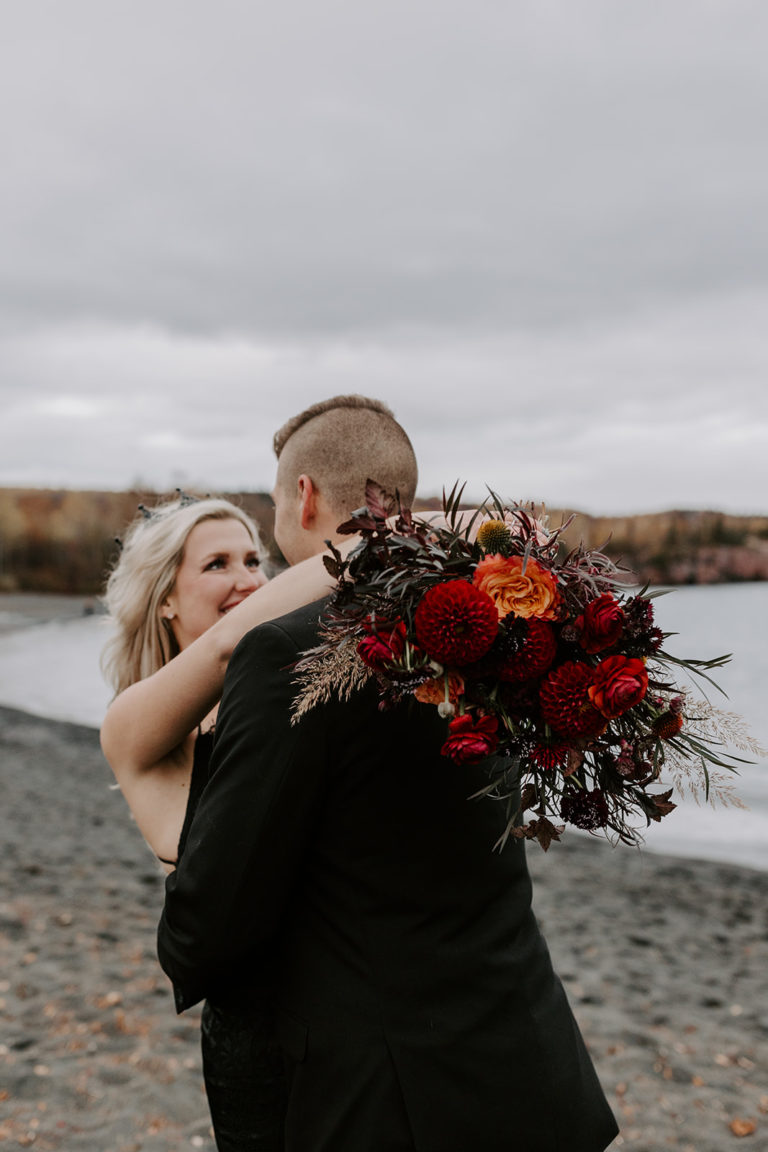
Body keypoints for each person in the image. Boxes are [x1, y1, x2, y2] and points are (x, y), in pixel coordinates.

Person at [158, 396, 620, 1152]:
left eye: (276, 503)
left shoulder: (286, 654)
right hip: (533, 1074)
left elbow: (206, 932)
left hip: (395, 1110)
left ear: (302, 497)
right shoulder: (497, 623)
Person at [101, 493, 354, 1150]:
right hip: (254, 1041)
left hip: (343, 1028)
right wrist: (386, 542)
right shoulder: (134, 731)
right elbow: (219, 649)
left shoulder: (285, 704)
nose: (248, 578)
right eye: (217, 564)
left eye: (253, 559)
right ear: (165, 600)